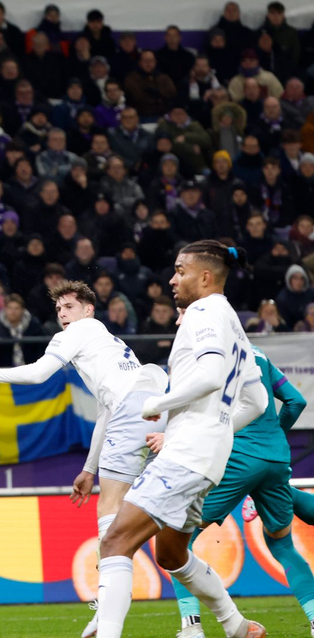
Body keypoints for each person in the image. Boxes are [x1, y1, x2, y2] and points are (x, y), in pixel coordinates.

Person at [0, 280, 168, 638]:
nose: (63, 314)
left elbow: (38, 373)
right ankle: (223, 620)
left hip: (133, 412)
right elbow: (106, 412)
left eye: (70, 307)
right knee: (158, 524)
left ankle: (107, 616)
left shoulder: (78, 332)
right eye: (59, 309)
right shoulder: (108, 343)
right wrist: (89, 469)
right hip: (156, 413)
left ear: (88, 310)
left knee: (110, 516)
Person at [94, 240, 265, 638]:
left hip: (185, 454)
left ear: (205, 277)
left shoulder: (203, 311)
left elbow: (210, 376)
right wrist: (216, 430)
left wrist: (159, 402)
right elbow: (257, 401)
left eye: (180, 271)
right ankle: (238, 626)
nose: (172, 280)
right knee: (171, 554)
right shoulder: (233, 323)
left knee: (115, 541)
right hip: (207, 457)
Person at [151, 339, 314, 637]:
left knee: (177, 540)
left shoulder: (206, 352)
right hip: (275, 455)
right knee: (281, 544)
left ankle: (192, 626)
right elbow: (296, 402)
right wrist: (271, 437)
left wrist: (172, 438)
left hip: (236, 455)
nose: (179, 321)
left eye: (183, 316)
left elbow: (199, 409)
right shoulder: (257, 353)